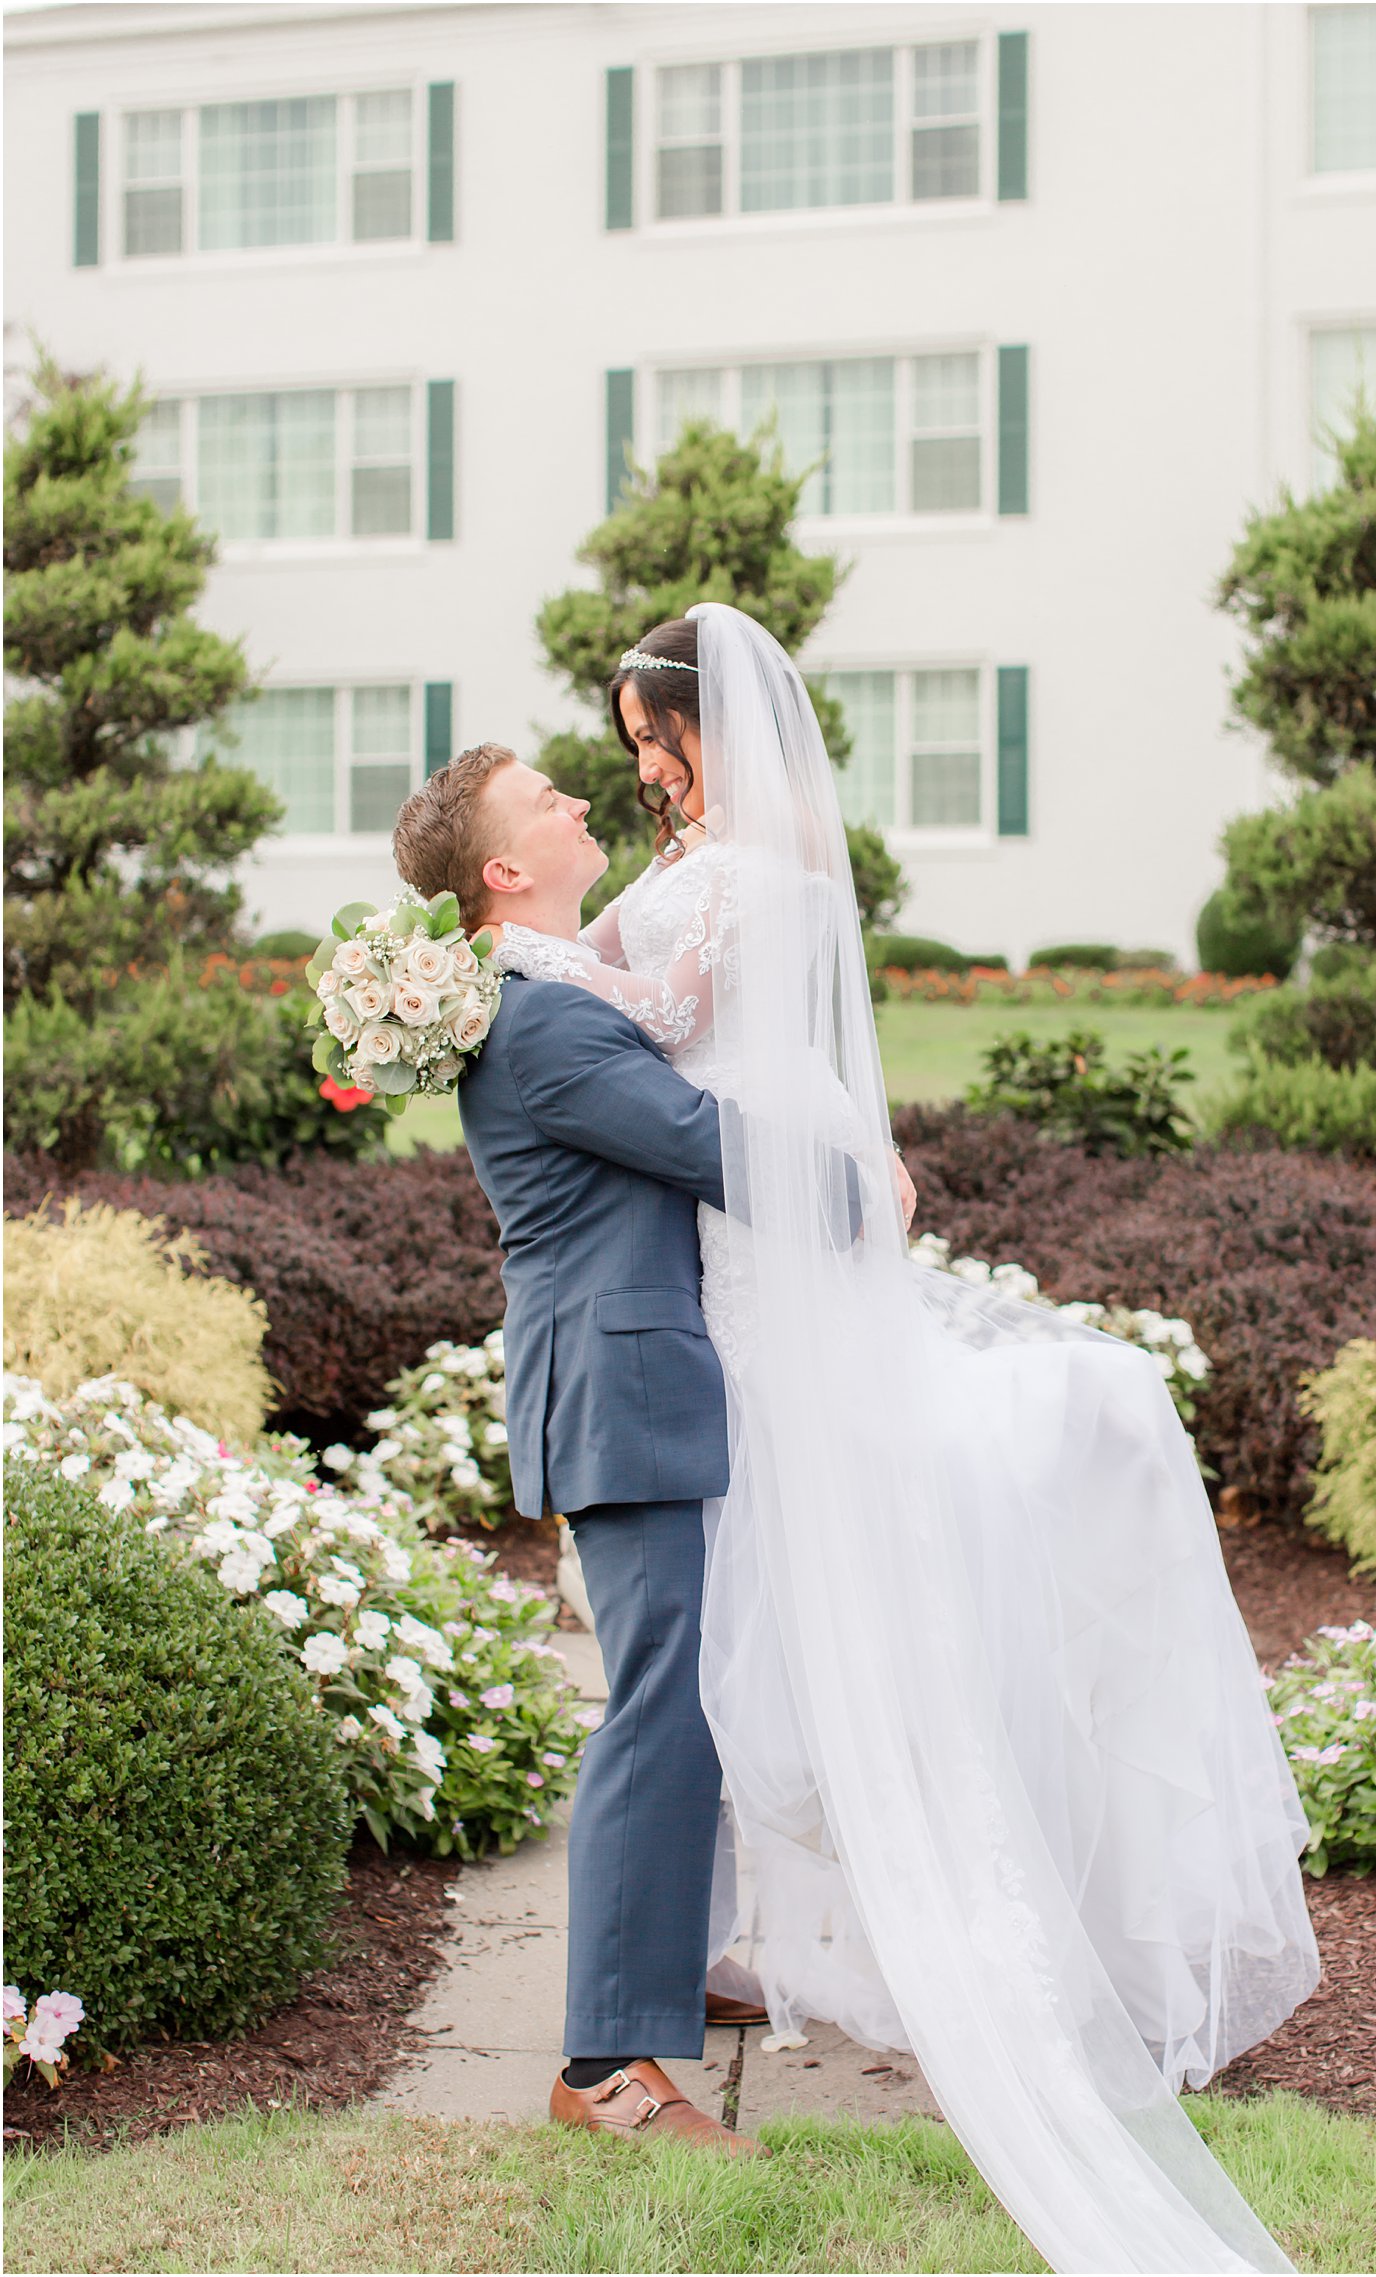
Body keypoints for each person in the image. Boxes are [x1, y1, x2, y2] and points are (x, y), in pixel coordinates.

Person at [476, 603, 1321, 2275]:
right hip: (697, 1299)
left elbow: (677, 1047)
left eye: (652, 739)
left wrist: (511, 967)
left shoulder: (707, 895)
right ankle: (661, 1988)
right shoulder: (612, 935)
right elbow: (654, 1073)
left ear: (710, 725)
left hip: (727, 1287)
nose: (633, 773)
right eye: (616, 755)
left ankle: (676, 1980)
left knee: (743, 1627)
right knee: (714, 1643)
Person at [389, 743, 889, 2161]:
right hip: (625, 1392)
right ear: (502, 871)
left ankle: (685, 1969)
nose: (575, 803)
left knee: (698, 1683)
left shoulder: (553, 986)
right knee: (659, 1706)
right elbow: (701, 1139)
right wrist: (865, 1180)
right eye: (544, 799)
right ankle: (607, 2059)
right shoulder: (538, 1021)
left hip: (645, 1381)